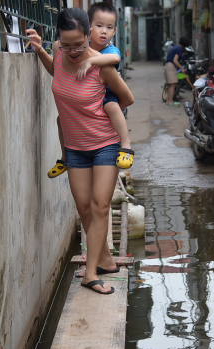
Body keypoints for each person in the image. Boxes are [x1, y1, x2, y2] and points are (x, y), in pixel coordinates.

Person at [27, 8, 135, 294]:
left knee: (100, 206)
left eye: (79, 44)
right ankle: (107, 261)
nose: (73, 51)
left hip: (105, 145)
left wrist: (102, 110)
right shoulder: (58, 52)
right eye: (67, 44)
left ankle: (90, 273)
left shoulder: (102, 66)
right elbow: (57, 72)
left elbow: (127, 98)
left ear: (89, 36)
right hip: (74, 148)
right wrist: (40, 50)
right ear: (58, 39)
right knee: (84, 208)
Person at [39, 2, 133, 179]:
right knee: (62, 120)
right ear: (89, 29)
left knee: (111, 106)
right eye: (99, 25)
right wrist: (39, 50)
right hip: (77, 141)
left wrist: (91, 61)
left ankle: (126, 145)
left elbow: (114, 59)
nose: (104, 31)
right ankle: (64, 158)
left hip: (107, 92)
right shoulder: (69, 47)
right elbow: (57, 71)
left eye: (109, 27)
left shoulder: (108, 50)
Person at [164, 36, 190, 106]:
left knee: (172, 84)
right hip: (171, 66)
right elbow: (175, 60)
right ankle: (170, 101)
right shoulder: (179, 49)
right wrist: (181, 68)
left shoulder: (175, 47)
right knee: (173, 84)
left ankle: (168, 100)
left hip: (168, 65)